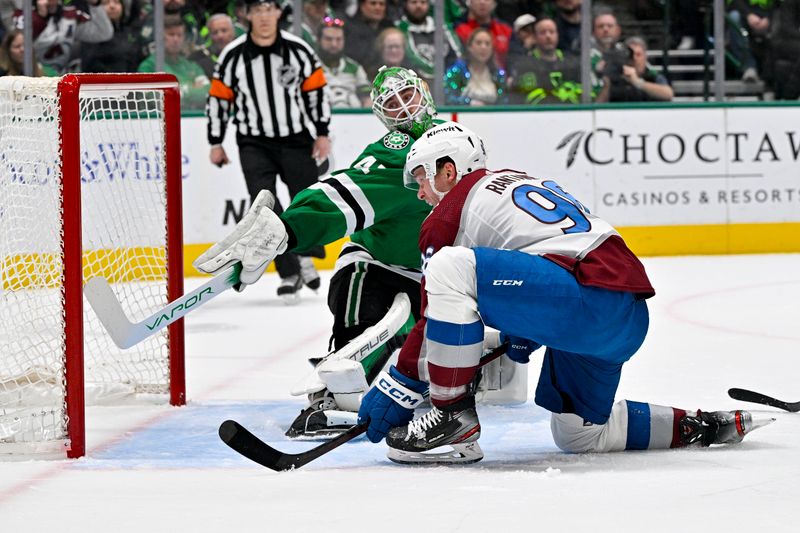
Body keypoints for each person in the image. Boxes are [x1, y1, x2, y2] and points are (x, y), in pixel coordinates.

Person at [355, 121, 768, 464]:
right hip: (625, 317)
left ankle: (451, 420)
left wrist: (402, 381)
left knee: (448, 269)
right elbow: (552, 252)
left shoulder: (449, 209)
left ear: (448, 170)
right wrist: (528, 324)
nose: (421, 193)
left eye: (422, 178)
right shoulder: (515, 180)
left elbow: (434, 308)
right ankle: (703, 424)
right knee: (579, 435)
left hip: (583, 299)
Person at [195, 66, 437, 438]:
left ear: (425, 93)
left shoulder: (457, 141)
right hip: (377, 265)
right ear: (382, 116)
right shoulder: (397, 152)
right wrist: (287, 229)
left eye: (408, 97)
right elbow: (347, 190)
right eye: (392, 104)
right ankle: (333, 393)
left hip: (435, 275)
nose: (404, 110)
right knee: (365, 316)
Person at [206, 0, 331, 302]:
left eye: (269, 9)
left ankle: (303, 256)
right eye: (257, 10)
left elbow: (316, 92)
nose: (263, 16)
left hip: (295, 139)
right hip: (253, 141)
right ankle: (289, 271)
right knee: (264, 206)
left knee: (306, 199)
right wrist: (216, 141)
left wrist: (323, 132)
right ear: (247, 15)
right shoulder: (233, 55)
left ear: (278, 13)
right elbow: (219, 99)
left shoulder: (298, 50)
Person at [13, 0, 113, 75]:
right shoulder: (24, 14)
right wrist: (40, 18)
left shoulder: (71, 13)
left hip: (61, 77)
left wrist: (95, 5)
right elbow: (16, 45)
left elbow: (104, 33)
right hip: (30, 77)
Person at [138, 14, 210, 110]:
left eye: (179, 35)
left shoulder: (192, 66)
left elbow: (208, 93)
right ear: (160, 37)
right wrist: (191, 88)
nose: (176, 39)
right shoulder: (148, 66)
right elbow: (154, 100)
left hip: (192, 121)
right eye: (171, 34)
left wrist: (175, 93)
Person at [509, 16, 583, 104]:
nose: (548, 36)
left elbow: (583, 91)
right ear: (535, 37)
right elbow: (527, 97)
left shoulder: (572, 62)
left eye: (552, 32)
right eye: (542, 32)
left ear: (557, 35)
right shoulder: (525, 65)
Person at [395, 0, 462, 85]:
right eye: (414, 2)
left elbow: (458, 52)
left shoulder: (442, 25)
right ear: (405, 5)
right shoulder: (400, 29)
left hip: (449, 82)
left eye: (423, 2)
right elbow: (411, 58)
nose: (418, 6)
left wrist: (449, 73)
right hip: (415, 83)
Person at [598, 36, 674, 103]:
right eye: (631, 55)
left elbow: (668, 94)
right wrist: (606, 85)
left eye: (638, 54)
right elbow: (597, 107)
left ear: (645, 57)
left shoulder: (653, 76)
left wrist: (637, 82)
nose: (634, 58)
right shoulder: (615, 76)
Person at [317, 15, 371, 108]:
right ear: (319, 40)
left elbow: (367, 97)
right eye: (328, 39)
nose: (334, 44)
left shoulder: (354, 67)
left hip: (351, 117)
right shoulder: (311, 66)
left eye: (338, 39)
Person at [444, 27, 507, 105]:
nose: (483, 47)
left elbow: (503, 102)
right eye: (478, 43)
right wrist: (468, 103)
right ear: (469, 47)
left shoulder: (498, 74)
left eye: (487, 44)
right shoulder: (457, 71)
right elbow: (447, 98)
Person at [81, 0, 145, 74]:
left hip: (130, 81)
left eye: (117, 2)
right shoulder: (91, 34)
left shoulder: (132, 32)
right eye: (105, 3)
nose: (112, 6)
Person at [454, 0, 513, 69]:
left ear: (494, 3)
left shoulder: (506, 30)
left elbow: (516, 59)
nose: (482, 2)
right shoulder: (456, 29)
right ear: (470, 1)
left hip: (500, 77)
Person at [190, 13, 238, 78]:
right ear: (209, 36)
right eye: (215, 32)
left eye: (224, 30)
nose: (220, 36)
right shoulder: (200, 60)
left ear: (233, 32)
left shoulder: (247, 54)